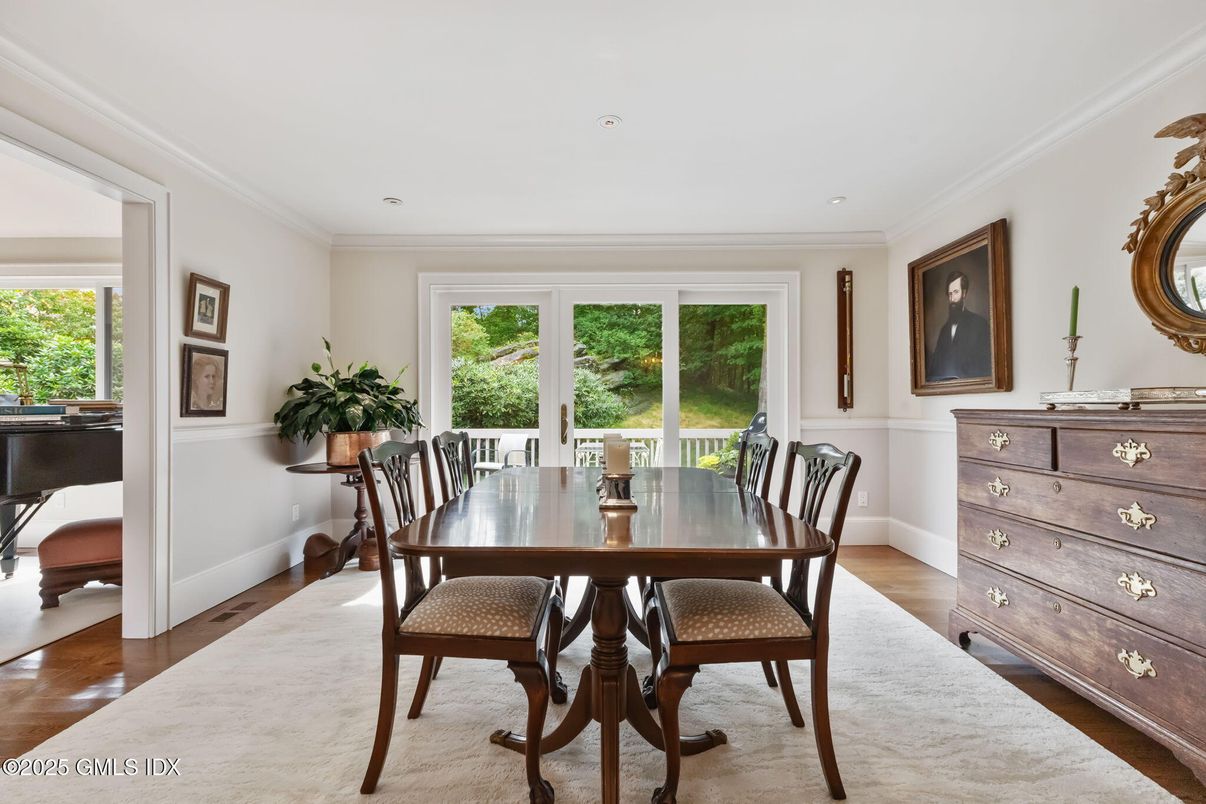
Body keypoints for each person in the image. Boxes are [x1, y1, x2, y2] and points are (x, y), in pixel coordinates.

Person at [926, 270, 991, 381]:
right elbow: (934, 369)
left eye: (956, 292)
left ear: (964, 293)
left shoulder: (979, 324)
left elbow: (986, 368)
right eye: (950, 294)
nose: (952, 299)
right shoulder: (944, 330)